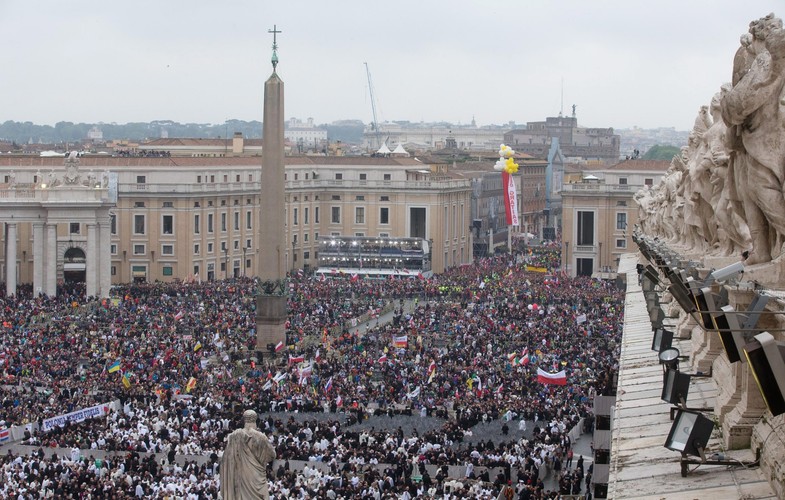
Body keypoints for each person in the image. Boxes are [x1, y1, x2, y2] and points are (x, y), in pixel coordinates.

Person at [220, 409, 276, 499]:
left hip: (240, 476)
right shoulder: (261, 437)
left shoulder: (234, 436)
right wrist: (260, 458)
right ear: (255, 420)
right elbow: (272, 455)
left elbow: (226, 461)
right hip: (257, 477)